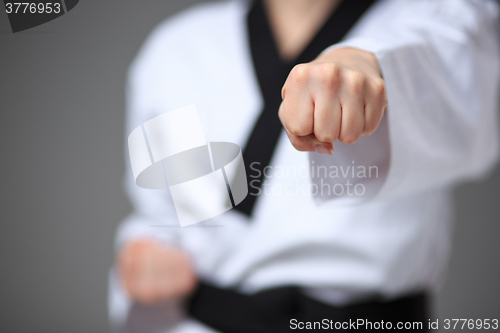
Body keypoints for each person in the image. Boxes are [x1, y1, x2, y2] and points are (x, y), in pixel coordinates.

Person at [109, 0, 500, 332]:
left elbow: (468, 100)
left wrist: (366, 63)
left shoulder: (445, 19)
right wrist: (145, 253)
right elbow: (165, 214)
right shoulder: (180, 47)